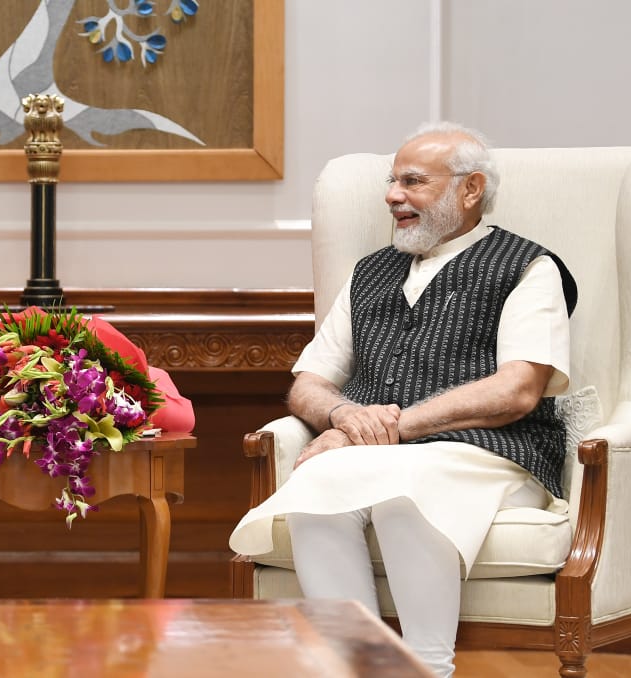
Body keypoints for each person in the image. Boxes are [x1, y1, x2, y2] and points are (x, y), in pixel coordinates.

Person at [229, 122, 577, 678]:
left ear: (470, 189)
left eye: (412, 181)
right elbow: (308, 382)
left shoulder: (528, 268)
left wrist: (383, 430)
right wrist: (342, 415)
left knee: (400, 490)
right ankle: (361, 665)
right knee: (317, 485)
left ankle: (428, 668)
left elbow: (518, 389)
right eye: (392, 181)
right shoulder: (369, 272)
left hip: (494, 454)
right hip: (379, 452)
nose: (393, 195)